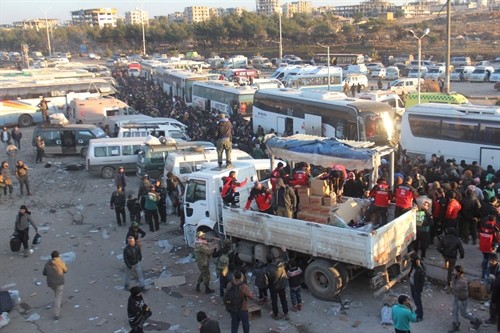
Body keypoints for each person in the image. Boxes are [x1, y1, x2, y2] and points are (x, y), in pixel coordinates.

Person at [448, 265, 482, 332]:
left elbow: (454, 287)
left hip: (461, 299)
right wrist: (453, 280)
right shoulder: (456, 277)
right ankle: (456, 324)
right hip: (457, 297)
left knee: (463, 314)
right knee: (454, 311)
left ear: (458, 272)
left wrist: (452, 282)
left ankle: (476, 321)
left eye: (454, 271)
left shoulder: (462, 281)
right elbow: (452, 285)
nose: (452, 272)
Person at [42, 250, 68, 320]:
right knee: (58, 297)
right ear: (58, 256)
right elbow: (65, 270)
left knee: (56, 292)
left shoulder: (48, 263)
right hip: (59, 282)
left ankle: (59, 304)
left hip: (51, 283)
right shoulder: (61, 262)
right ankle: (56, 314)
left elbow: (44, 273)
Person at [266, 251, 290, 320]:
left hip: (273, 287)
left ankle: (275, 314)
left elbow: (266, 281)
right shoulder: (280, 265)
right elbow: (287, 260)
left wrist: (268, 287)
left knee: (274, 301)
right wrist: (284, 251)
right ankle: (286, 314)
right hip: (282, 285)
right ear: (274, 259)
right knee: (283, 299)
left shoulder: (267, 268)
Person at [409, 253, 426, 322]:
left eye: (411, 259)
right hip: (412, 284)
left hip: (417, 287)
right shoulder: (413, 265)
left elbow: (422, 273)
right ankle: (417, 310)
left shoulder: (420, 267)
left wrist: (419, 265)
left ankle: (420, 315)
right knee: (414, 298)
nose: (410, 260)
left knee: (418, 300)